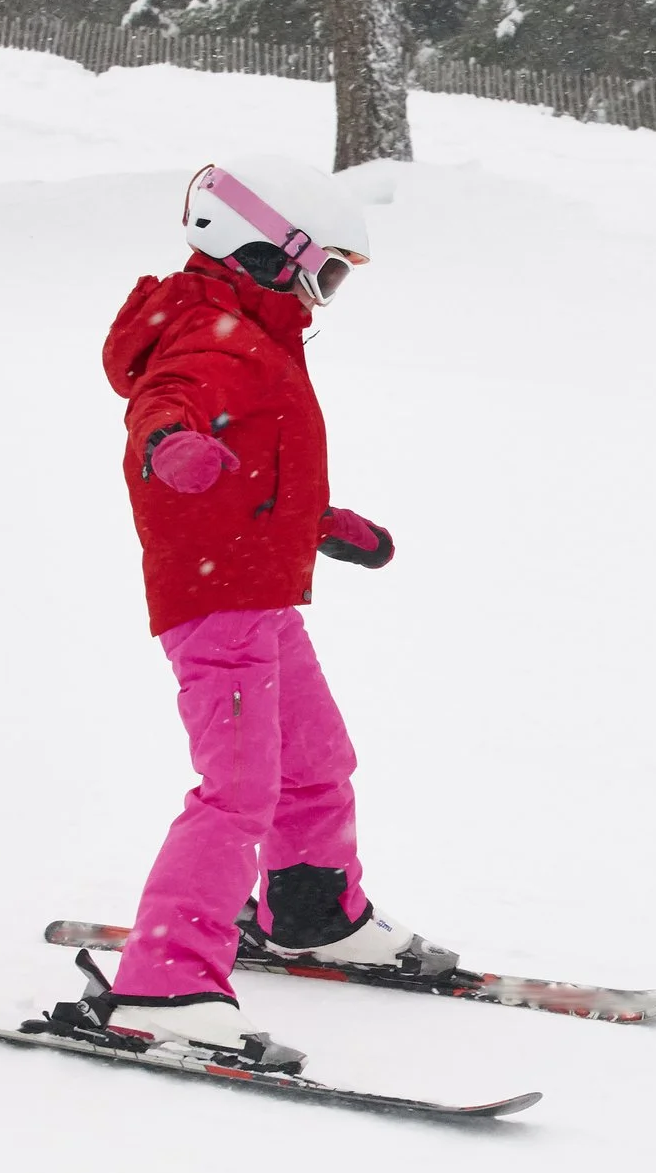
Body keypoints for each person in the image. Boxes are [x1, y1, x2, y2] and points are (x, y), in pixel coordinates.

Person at [40, 158, 451, 1066]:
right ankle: (166, 984)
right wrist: (167, 444)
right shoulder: (214, 336)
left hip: (261, 587)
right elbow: (164, 404)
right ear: (265, 250)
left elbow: (256, 460)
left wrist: (319, 524)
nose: (328, 290)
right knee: (237, 790)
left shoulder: (256, 333)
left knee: (316, 758)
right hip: (215, 599)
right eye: (327, 269)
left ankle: (309, 913)